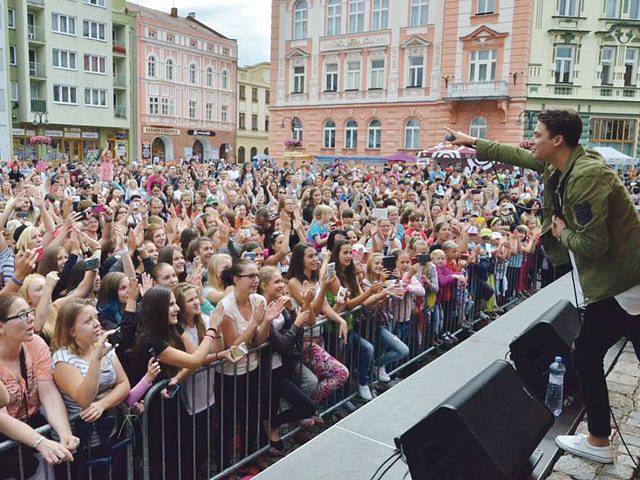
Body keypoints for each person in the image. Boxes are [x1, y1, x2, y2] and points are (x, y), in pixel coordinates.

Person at [446, 109, 640, 464]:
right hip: (627, 283)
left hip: (623, 284)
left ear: (557, 141)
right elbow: (520, 155)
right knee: (593, 350)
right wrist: (474, 143)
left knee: (585, 352)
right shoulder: (566, 166)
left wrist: (560, 231)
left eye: (537, 135)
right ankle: (598, 438)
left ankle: (599, 440)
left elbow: (594, 245)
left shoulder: (584, 178)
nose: (531, 140)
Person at [0, 293, 80, 476]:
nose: (30, 318)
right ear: (1, 326)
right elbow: (1, 417)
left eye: (29, 312)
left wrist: (64, 433)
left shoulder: (36, 344)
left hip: (31, 429)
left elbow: (49, 393)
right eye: (21, 315)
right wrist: (40, 442)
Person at [51, 299, 130, 479]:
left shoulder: (105, 347)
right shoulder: (62, 359)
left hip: (109, 434)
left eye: (96, 317)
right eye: (88, 321)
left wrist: (102, 404)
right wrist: (95, 360)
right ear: (71, 331)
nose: (96, 324)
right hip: (80, 445)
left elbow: (124, 384)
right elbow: (84, 399)